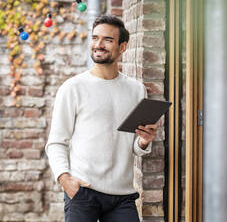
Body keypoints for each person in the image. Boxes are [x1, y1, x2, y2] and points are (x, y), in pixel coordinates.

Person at [45, 15, 158, 222]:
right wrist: (65, 179)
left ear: (122, 47)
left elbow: (132, 144)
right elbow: (56, 142)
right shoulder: (73, 88)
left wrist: (143, 142)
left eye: (107, 40)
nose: (98, 44)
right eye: (95, 38)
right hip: (83, 192)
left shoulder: (136, 90)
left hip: (122, 195)